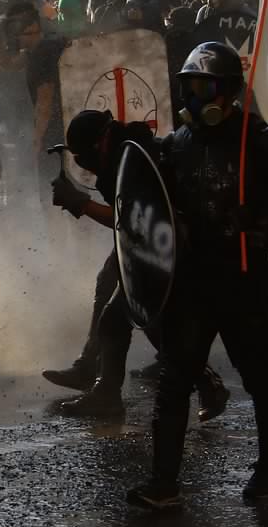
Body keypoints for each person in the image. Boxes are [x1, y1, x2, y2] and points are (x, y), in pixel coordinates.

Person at [126, 43, 268, 510]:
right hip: (192, 282)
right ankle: (164, 483)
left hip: (245, 278)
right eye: (188, 87)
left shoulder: (264, 139)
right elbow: (143, 204)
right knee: (176, 379)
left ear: (229, 92)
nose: (193, 97)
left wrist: (263, 215)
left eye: (203, 88)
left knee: (259, 377)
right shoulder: (175, 146)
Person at [44, 109, 230, 422]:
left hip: (172, 249)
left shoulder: (137, 164)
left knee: (148, 323)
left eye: (82, 155)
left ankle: (205, 385)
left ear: (100, 143)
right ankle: (99, 381)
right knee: (114, 306)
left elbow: (129, 222)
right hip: (150, 246)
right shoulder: (120, 156)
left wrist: (80, 203)